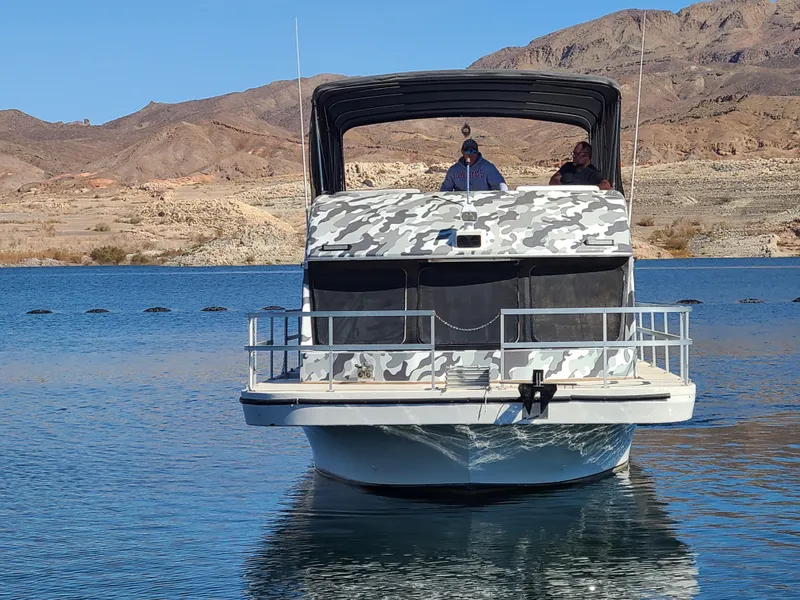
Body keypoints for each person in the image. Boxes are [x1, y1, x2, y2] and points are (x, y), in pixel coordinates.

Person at [440, 139, 508, 192]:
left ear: (477, 152)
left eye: (473, 151)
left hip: (483, 203)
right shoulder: (453, 170)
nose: (470, 154)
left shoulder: (488, 167)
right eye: (467, 151)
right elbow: (445, 190)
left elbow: (500, 184)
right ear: (462, 152)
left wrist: (504, 193)